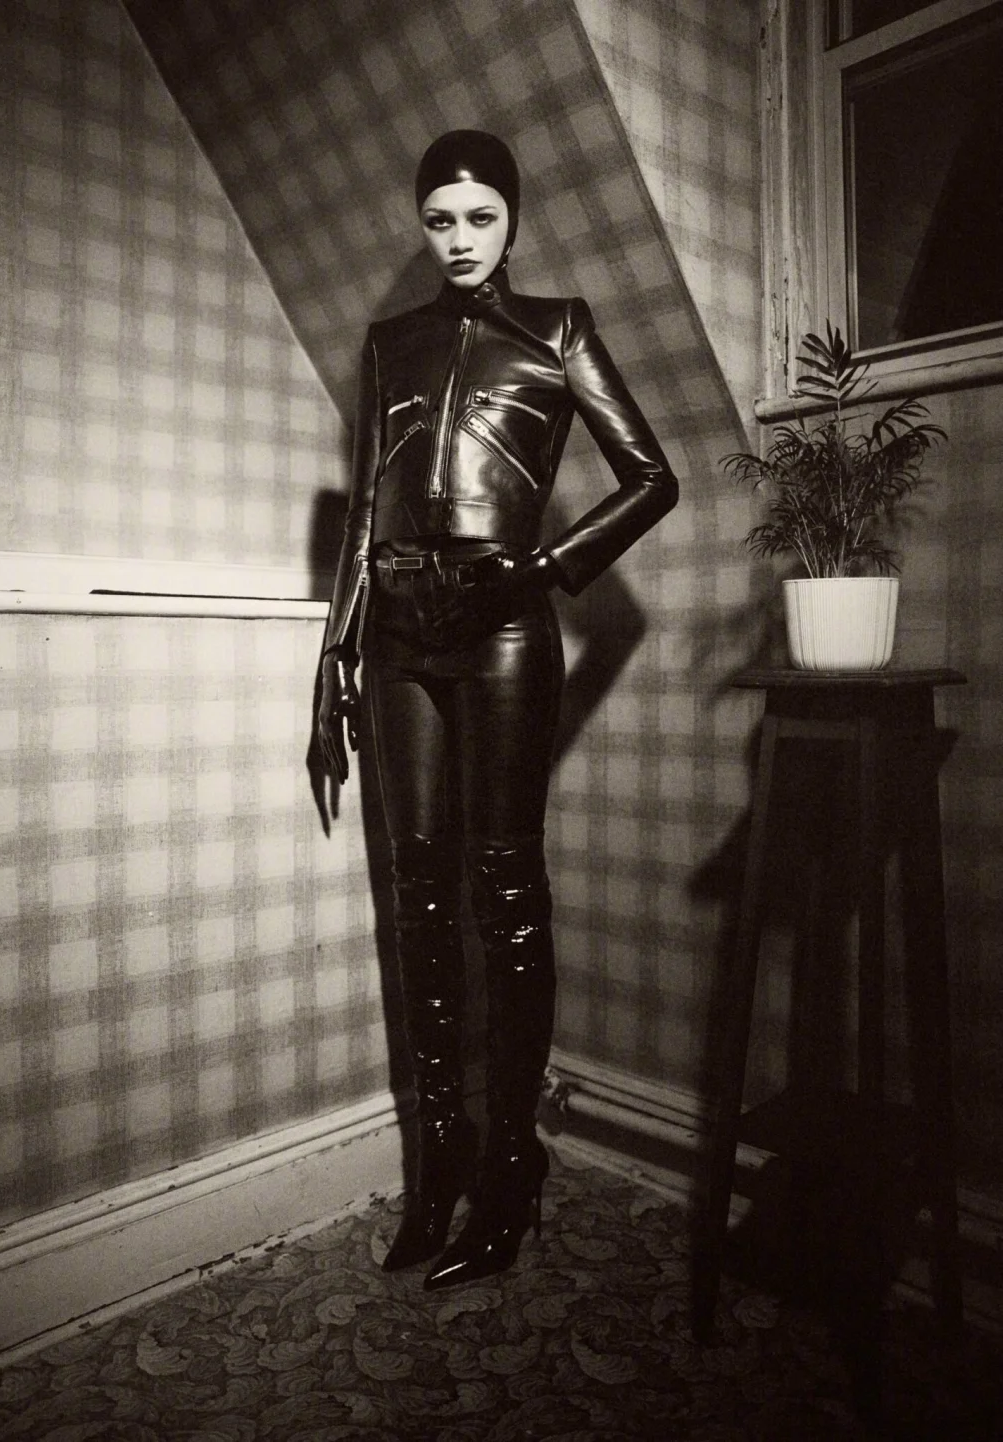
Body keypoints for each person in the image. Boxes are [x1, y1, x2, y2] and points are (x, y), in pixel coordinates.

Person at [318, 130, 677, 1290]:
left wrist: (541, 569)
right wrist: (331, 666)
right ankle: (439, 1168)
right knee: (418, 894)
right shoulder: (392, 343)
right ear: (422, 226)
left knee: (506, 897)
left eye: (480, 218)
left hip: (507, 632)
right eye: (441, 220)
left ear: (512, 220)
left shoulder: (558, 328)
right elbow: (365, 521)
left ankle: (511, 1167)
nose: (461, 239)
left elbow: (652, 477)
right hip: (398, 635)